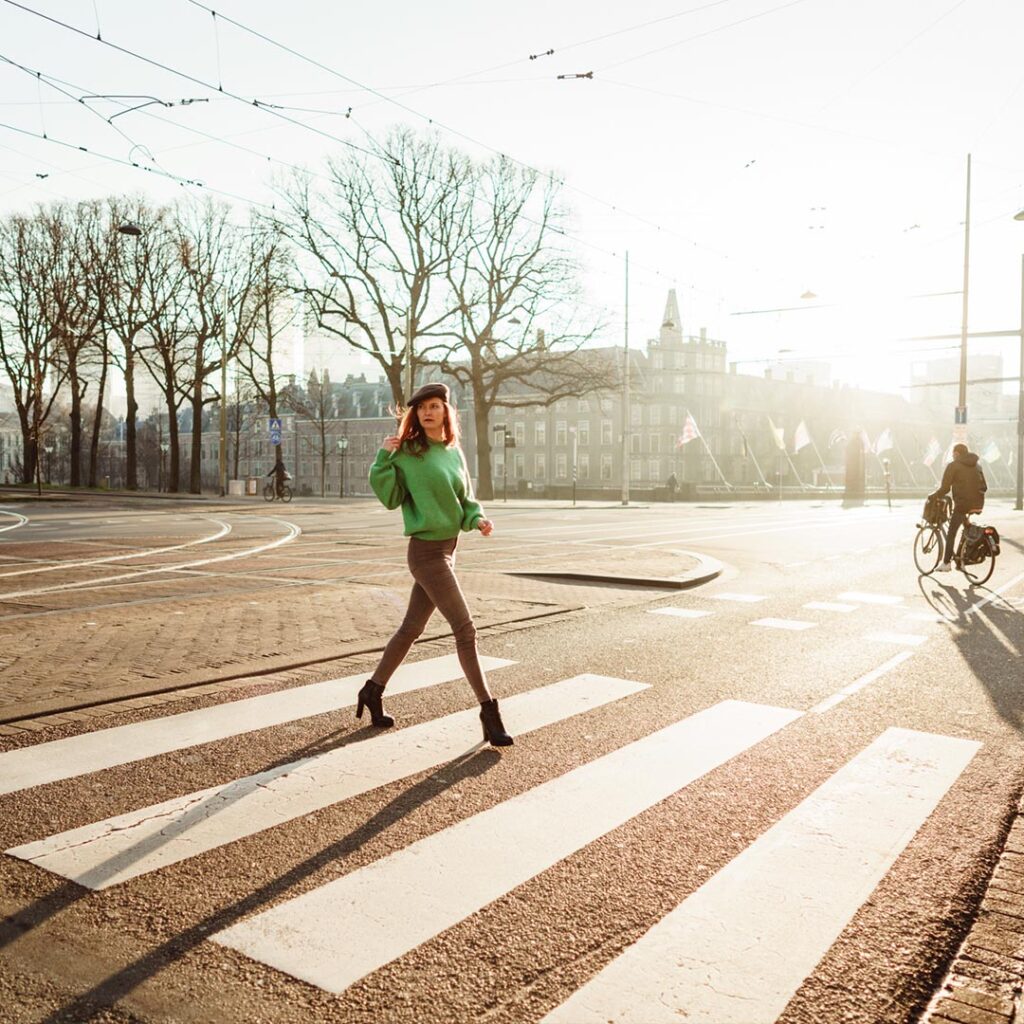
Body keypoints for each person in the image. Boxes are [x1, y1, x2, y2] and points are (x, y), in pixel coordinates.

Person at [359, 382, 512, 746]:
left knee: (411, 629)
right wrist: (383, 459)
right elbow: (390, 497)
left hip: (449, 549)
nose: (427, 412)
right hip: (426, 554)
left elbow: (466, 500)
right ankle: (489, 712)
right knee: (465, 630)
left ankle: (372, 690)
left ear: (446, 412)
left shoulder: (453, 452)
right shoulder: (407, 451)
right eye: (422, 407)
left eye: (434, 406)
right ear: (415, 414)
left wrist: (478, 519)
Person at [929, 443, 987, 572]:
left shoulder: (953, 465)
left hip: (962, 505)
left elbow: (945, 488)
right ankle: (961, 560)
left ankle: (946, 563)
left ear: (956, 453)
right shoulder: (977, 466)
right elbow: (984, 486)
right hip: (978, 504)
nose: (952, 456)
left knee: (951, 533)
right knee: (965, 528)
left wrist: (934, 496)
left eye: (953, 454)